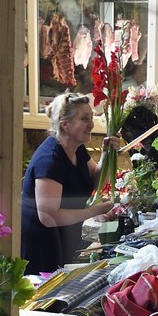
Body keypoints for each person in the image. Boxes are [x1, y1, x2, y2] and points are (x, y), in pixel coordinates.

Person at [20, 92, 118, 275]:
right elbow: (48, 217)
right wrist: (94, 211)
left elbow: (96, 181)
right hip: (39, 241)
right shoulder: (50, 161)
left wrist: (108, 154)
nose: (91, 124)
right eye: (84, 119)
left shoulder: (77, 149)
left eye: (91, 117)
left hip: (62, 236)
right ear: (65, 125)